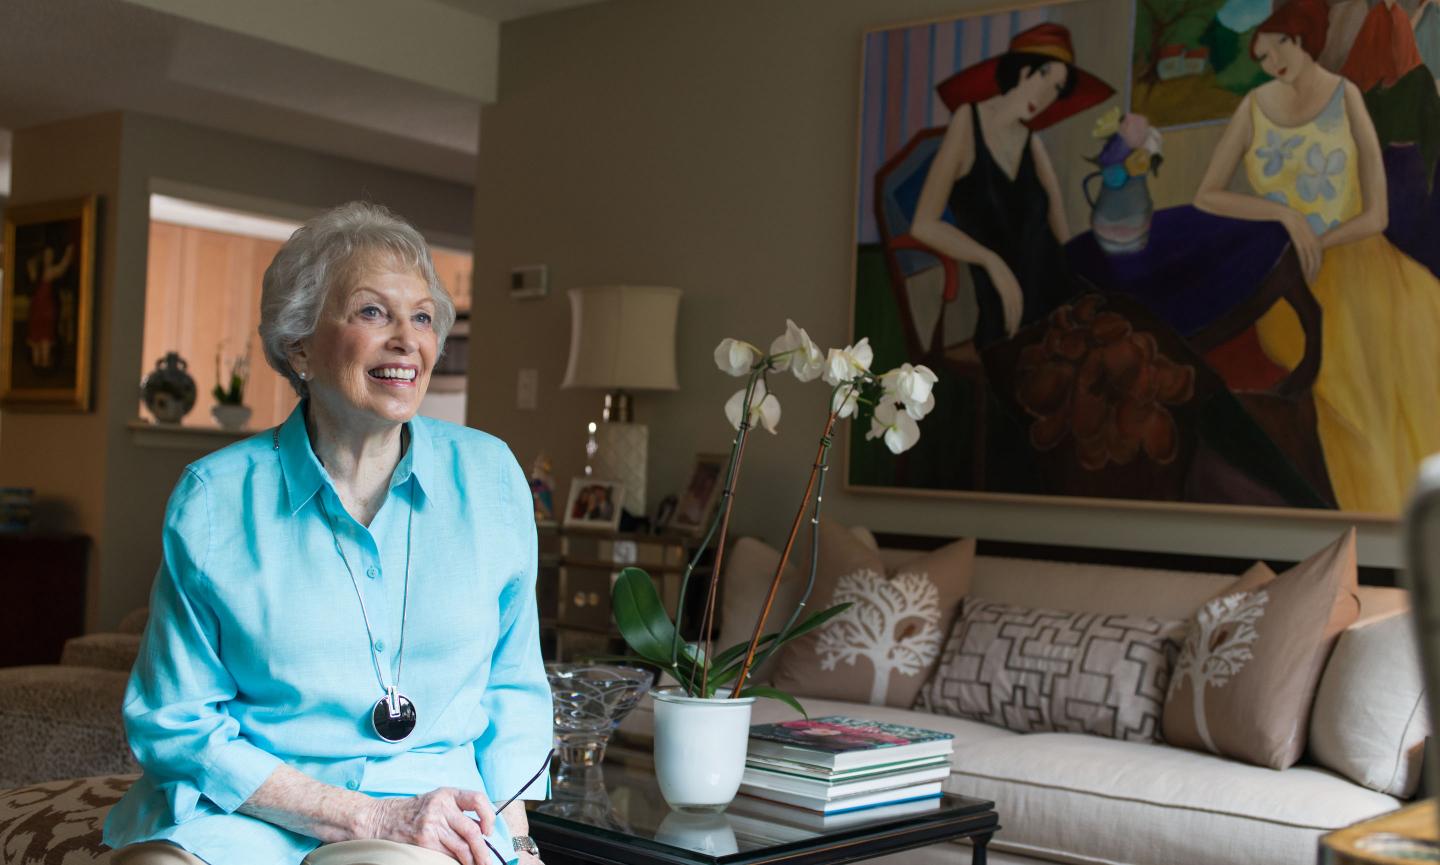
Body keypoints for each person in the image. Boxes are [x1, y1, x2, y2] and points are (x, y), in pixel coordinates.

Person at [103, 202, 554, 865]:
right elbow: (175, 717)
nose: (407, 338)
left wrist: (518, 844)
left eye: (422, 316)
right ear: (300, 345)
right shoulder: (215, 498)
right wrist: (362, 813)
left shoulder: (489, 478)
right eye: (374, 312)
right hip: (254, 807)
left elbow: (513, 686)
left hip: (431, 811)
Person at [1194, 0, 1440, 513]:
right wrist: (1285, 219)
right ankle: (1376, 523)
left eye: (1280, 44)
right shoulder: (1255, 106)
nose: (1273, 60)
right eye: (1263, 54)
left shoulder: (1346, 96)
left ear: (1302, 36)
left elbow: (1376, 215)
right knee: (1337, 379)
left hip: (1364, 262)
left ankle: (1405, 524)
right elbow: (1207, 195)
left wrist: (1319, 240)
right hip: (1290, 275)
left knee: (1394, 363)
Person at [910, 23, 1114, 349]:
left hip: (1062, 298)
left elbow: (1064, 238)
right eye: (1042, 75)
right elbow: (923, 224)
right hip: (1009, 317)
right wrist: (991, 262)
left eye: (1057, 88)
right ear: (1020, 70)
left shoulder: (1033, 144)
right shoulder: (967, 121)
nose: (1045, 95)